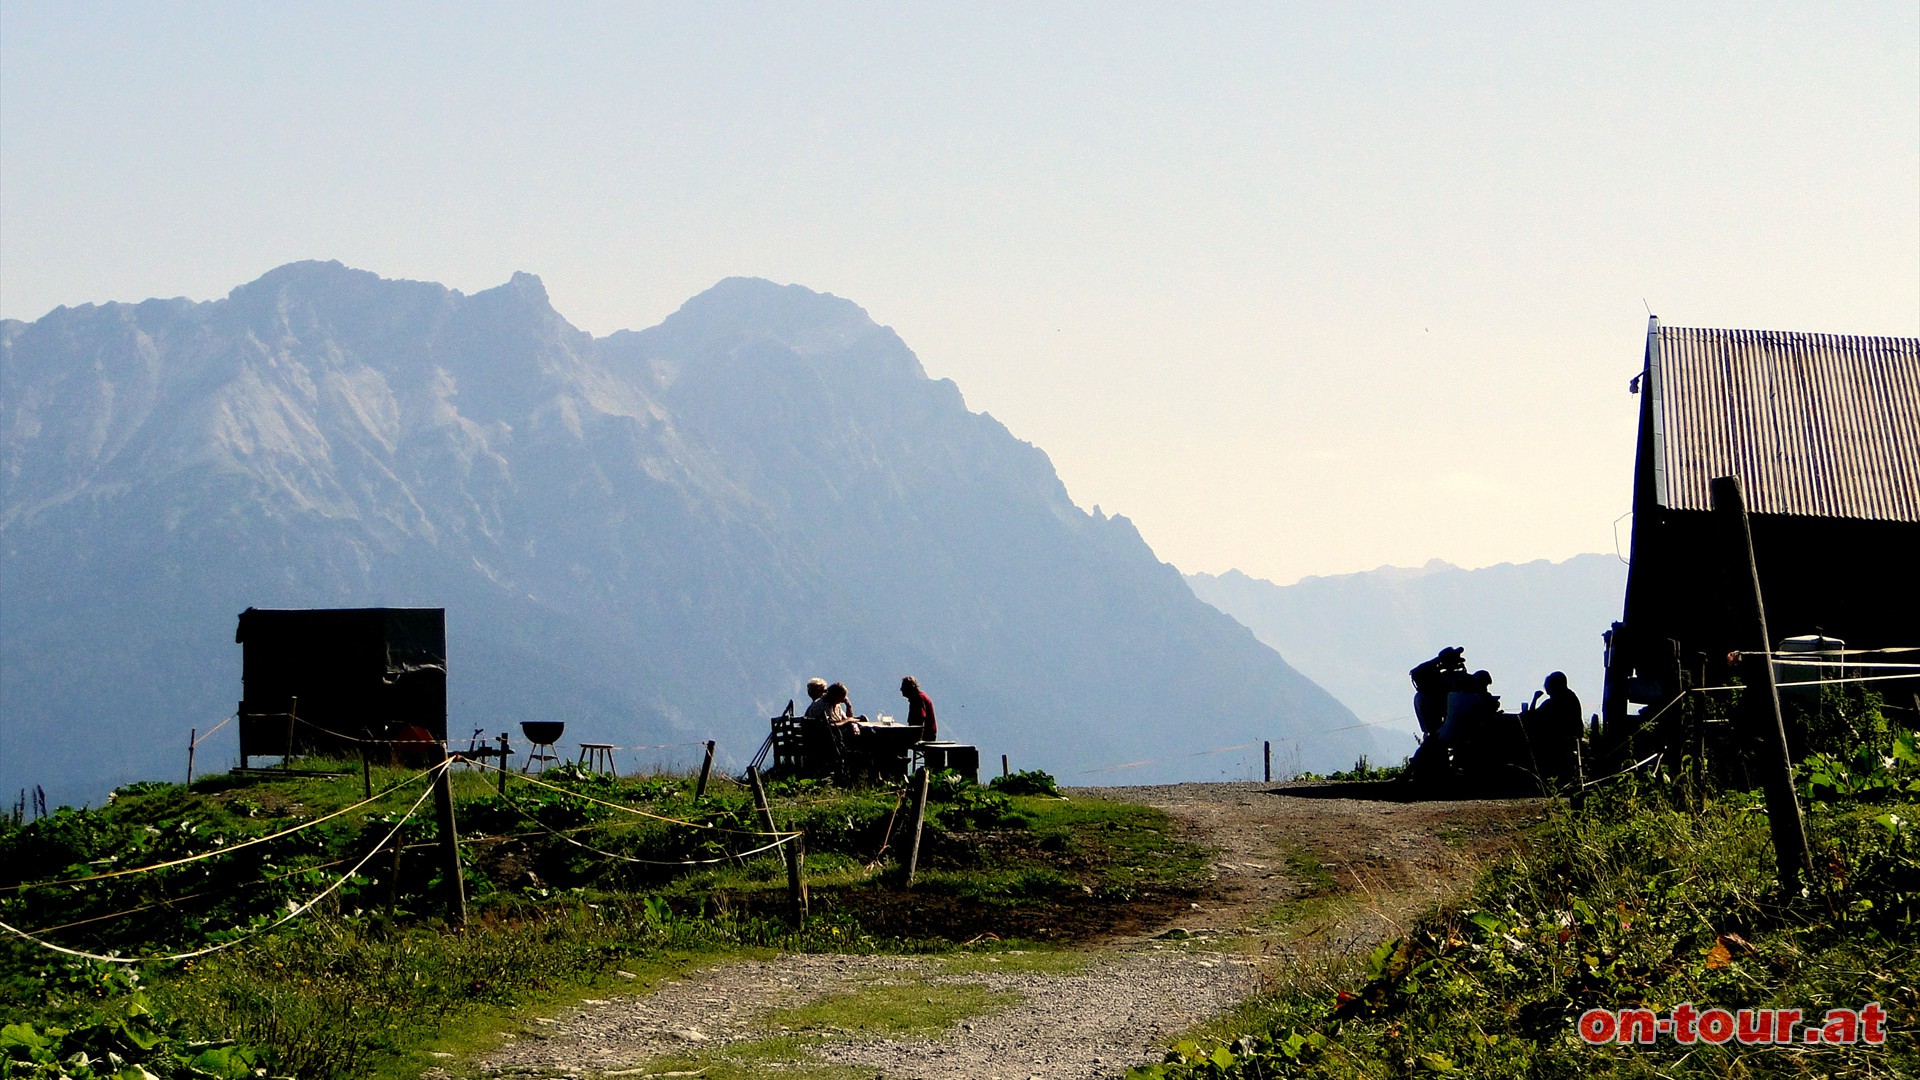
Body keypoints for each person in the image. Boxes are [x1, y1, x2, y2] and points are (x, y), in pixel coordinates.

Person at [1526, 671, 1583, 781]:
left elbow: (1531, 716)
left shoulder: (1556, 701)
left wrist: (1535, 699)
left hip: (1559, 739)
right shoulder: (1570, 697)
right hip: (1571, 736)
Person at [900, 675, 937, 742]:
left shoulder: (918, 698)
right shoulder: (918, 697)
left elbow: (921, 718)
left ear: (909, 688)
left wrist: (918, 739)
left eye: (903, 687)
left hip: (926, 736)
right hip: (927, 734)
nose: (901, 689)